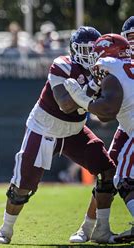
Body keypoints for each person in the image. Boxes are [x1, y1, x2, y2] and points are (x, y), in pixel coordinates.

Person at [0, 26, 117, 245]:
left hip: (75, 131)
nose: (90, 55)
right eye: (84, 50)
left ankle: (94, 229)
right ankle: (5, 230)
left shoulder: (104, 70)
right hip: (44, 129)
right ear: (74, 50)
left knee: (107, 172)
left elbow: (104, 114)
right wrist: (93, 85)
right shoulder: (63, 65)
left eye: (93, 50)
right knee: (22, 187)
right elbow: (65, 105)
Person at [68, 16, 134, 244]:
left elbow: (105, 110)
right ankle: (89, 228)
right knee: (110, 171)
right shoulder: (120, 60)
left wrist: (83, 100)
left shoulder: (109, 63)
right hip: (127, 124)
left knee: (123, 177)